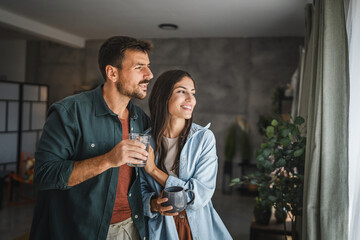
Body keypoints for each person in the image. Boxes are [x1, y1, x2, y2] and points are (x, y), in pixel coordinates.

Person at [30, 36, 153, 240]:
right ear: (112, 72)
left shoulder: (141, 120)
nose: (149, 74)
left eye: (148, 67)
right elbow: (45, 175)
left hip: (134, 228)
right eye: (140, 67)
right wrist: (107, 160)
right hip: (81, 231)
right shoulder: (69, 112)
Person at [140, 70, 232, 240]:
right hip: (162, 229)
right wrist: (153, 205)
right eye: (182, 91)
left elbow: (199, 195)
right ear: (163, 96)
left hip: (197, 227)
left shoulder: (204, 138)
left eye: (193, 93)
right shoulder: (145, 141)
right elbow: (139, 190)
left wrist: (153, 171)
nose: (191, 99)